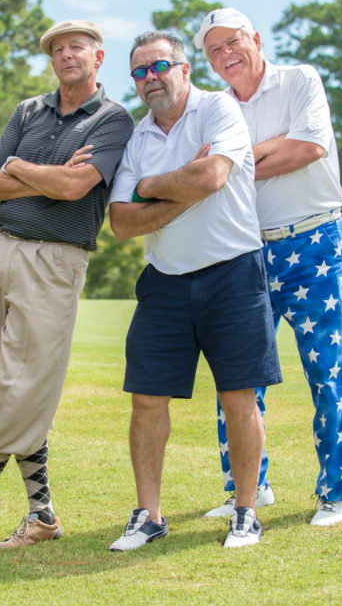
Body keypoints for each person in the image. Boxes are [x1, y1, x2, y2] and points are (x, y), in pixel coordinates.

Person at [0, 20, 134, 561]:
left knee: (17, 391)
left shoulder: (113, 118)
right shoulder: (28, 111)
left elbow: (75, 186)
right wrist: (39, 173)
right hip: (0, 251)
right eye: (57, 50)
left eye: (76, 48)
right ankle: (42, 516)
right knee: (15, 387)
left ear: (98, 57)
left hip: (56, 260)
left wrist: (19, 168)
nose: (66, 56)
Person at [107, 31, 282, 551]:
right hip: (164, 281)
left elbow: (212, 174)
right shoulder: (139, 138)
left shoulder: (218, 111)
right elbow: (119, 221)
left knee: (238, 397)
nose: (150, 78)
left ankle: (247, 511)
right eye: (139, 72)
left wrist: (151, 185)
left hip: (233, 273)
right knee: (146, 400)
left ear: (184, 69)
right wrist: (179, 184)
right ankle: (149, 515)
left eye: (159, 66)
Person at [196, 8, 342, 526]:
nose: (227, 55)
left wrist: (238, 158)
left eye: (234, 42)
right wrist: (258, 153)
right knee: (238, 378)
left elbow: (307, 148)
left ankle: (336, 491)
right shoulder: (217, 107)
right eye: (215, 50)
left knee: (326, 372)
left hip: (313, 239)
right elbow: (207, 173)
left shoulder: (299, 79)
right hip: (247, 250)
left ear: (256, 40)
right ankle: (248, 486)